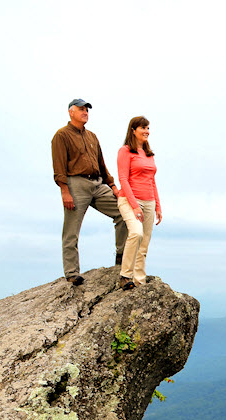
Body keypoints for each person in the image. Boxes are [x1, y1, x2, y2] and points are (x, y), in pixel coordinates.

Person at [51, 98, 127, 286]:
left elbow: (102, 164)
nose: (85, 113)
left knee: (123, 212)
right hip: (75, 184)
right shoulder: (61, 135)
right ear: (71, 112)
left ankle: (121, 259)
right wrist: (64, 191)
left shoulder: (92, 136)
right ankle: (71, 272)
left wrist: (113, 186)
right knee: (71, 230)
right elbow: (59, 166)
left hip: (98, 184)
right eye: (81, 109)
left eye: (87, 110)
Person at [116, 116, 162, 290]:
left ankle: (139, 281)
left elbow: (152, 181)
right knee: (136, 233)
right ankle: (125, 275)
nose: (146, 131)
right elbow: (123, 179)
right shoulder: (125, 151)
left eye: (148, 128)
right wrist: (134, 205)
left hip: (149, 200)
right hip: (129, 200)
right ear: (133, 130)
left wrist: (158, 205)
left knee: (144, 244)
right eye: (143, 128)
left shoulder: (148, 154)